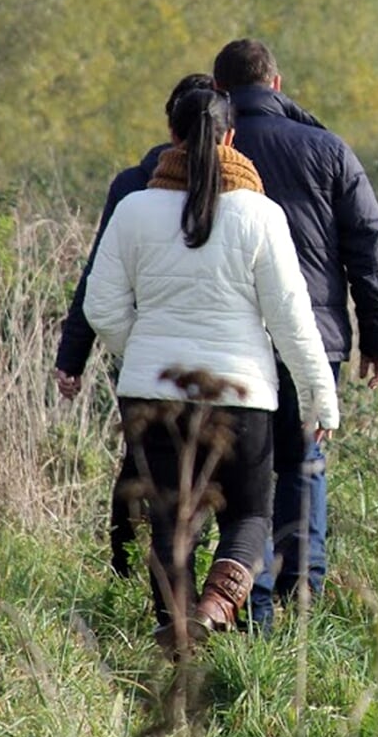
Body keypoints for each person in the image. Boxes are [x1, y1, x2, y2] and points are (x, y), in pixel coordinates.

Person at [82, 88, 339, 645]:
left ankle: (175, 637)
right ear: (229, 137)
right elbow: (293, 319)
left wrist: (146, 351)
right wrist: (321, 396)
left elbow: (99, 307)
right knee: (249, 517)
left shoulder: (133, 210)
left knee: (171, 522)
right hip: (241, 395)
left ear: (171, 135)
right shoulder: (260, 215)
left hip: (152, 393)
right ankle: (216, 607)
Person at [210, 39, 378, 624]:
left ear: (219, 92)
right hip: (314, 336)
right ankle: (303, 594)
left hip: (231, 338)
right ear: (277, 82)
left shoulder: (203, 152)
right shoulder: (328, 149)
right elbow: (370, 250)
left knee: (242, 473)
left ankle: (247, 596)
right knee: (304, 464)